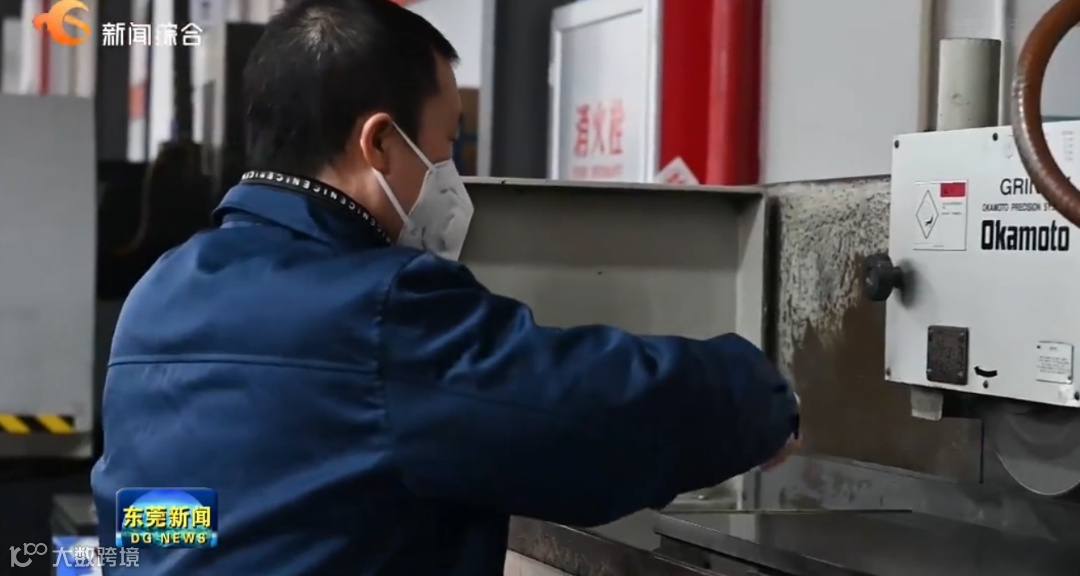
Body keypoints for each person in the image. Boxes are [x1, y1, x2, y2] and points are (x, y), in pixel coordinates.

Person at [90, 0, 800, 574]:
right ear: (378, 143)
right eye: (446, 142)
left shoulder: (160, 291)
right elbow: (584, 415)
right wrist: (755, 397)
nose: (448, 170)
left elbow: (169, 520)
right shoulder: (378, 310)